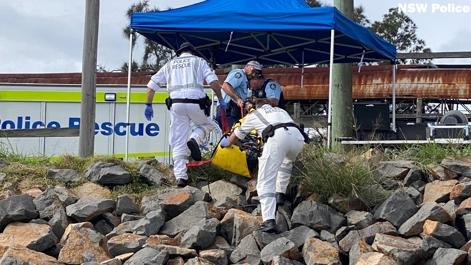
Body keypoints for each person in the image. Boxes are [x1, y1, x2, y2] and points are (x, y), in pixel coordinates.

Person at [219, 89, 309, 233]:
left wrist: (226, 143)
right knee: (286, 162)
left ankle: (268, 220)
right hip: (298, 139)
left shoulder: (254, 115)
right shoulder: (280, 110)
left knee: (265, 181)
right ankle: (280, 194)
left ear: (255, 105)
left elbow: (236, 135)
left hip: (277, 138)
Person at [144, 42, 226, 188]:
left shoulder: (169, 64)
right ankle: (195, 139)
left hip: (176, 105)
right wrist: (220, 99)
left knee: (178, 140)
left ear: (179, 52)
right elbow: (213, 82)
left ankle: (181, 177)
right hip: (196, 102)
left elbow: (151, 86)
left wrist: (148, 105)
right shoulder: (199, 61)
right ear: (192, 51)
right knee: (208, 124)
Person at [216, 61, 263, 128]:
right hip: (228, 109)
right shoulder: (239, 74)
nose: (255, 74)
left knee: (235, 135)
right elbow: (225, 86)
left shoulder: (245, 79)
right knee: (231, 135)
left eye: (257, 73)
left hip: (233, 111)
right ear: (248, 67)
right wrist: (238, 99)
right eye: (255, 71)